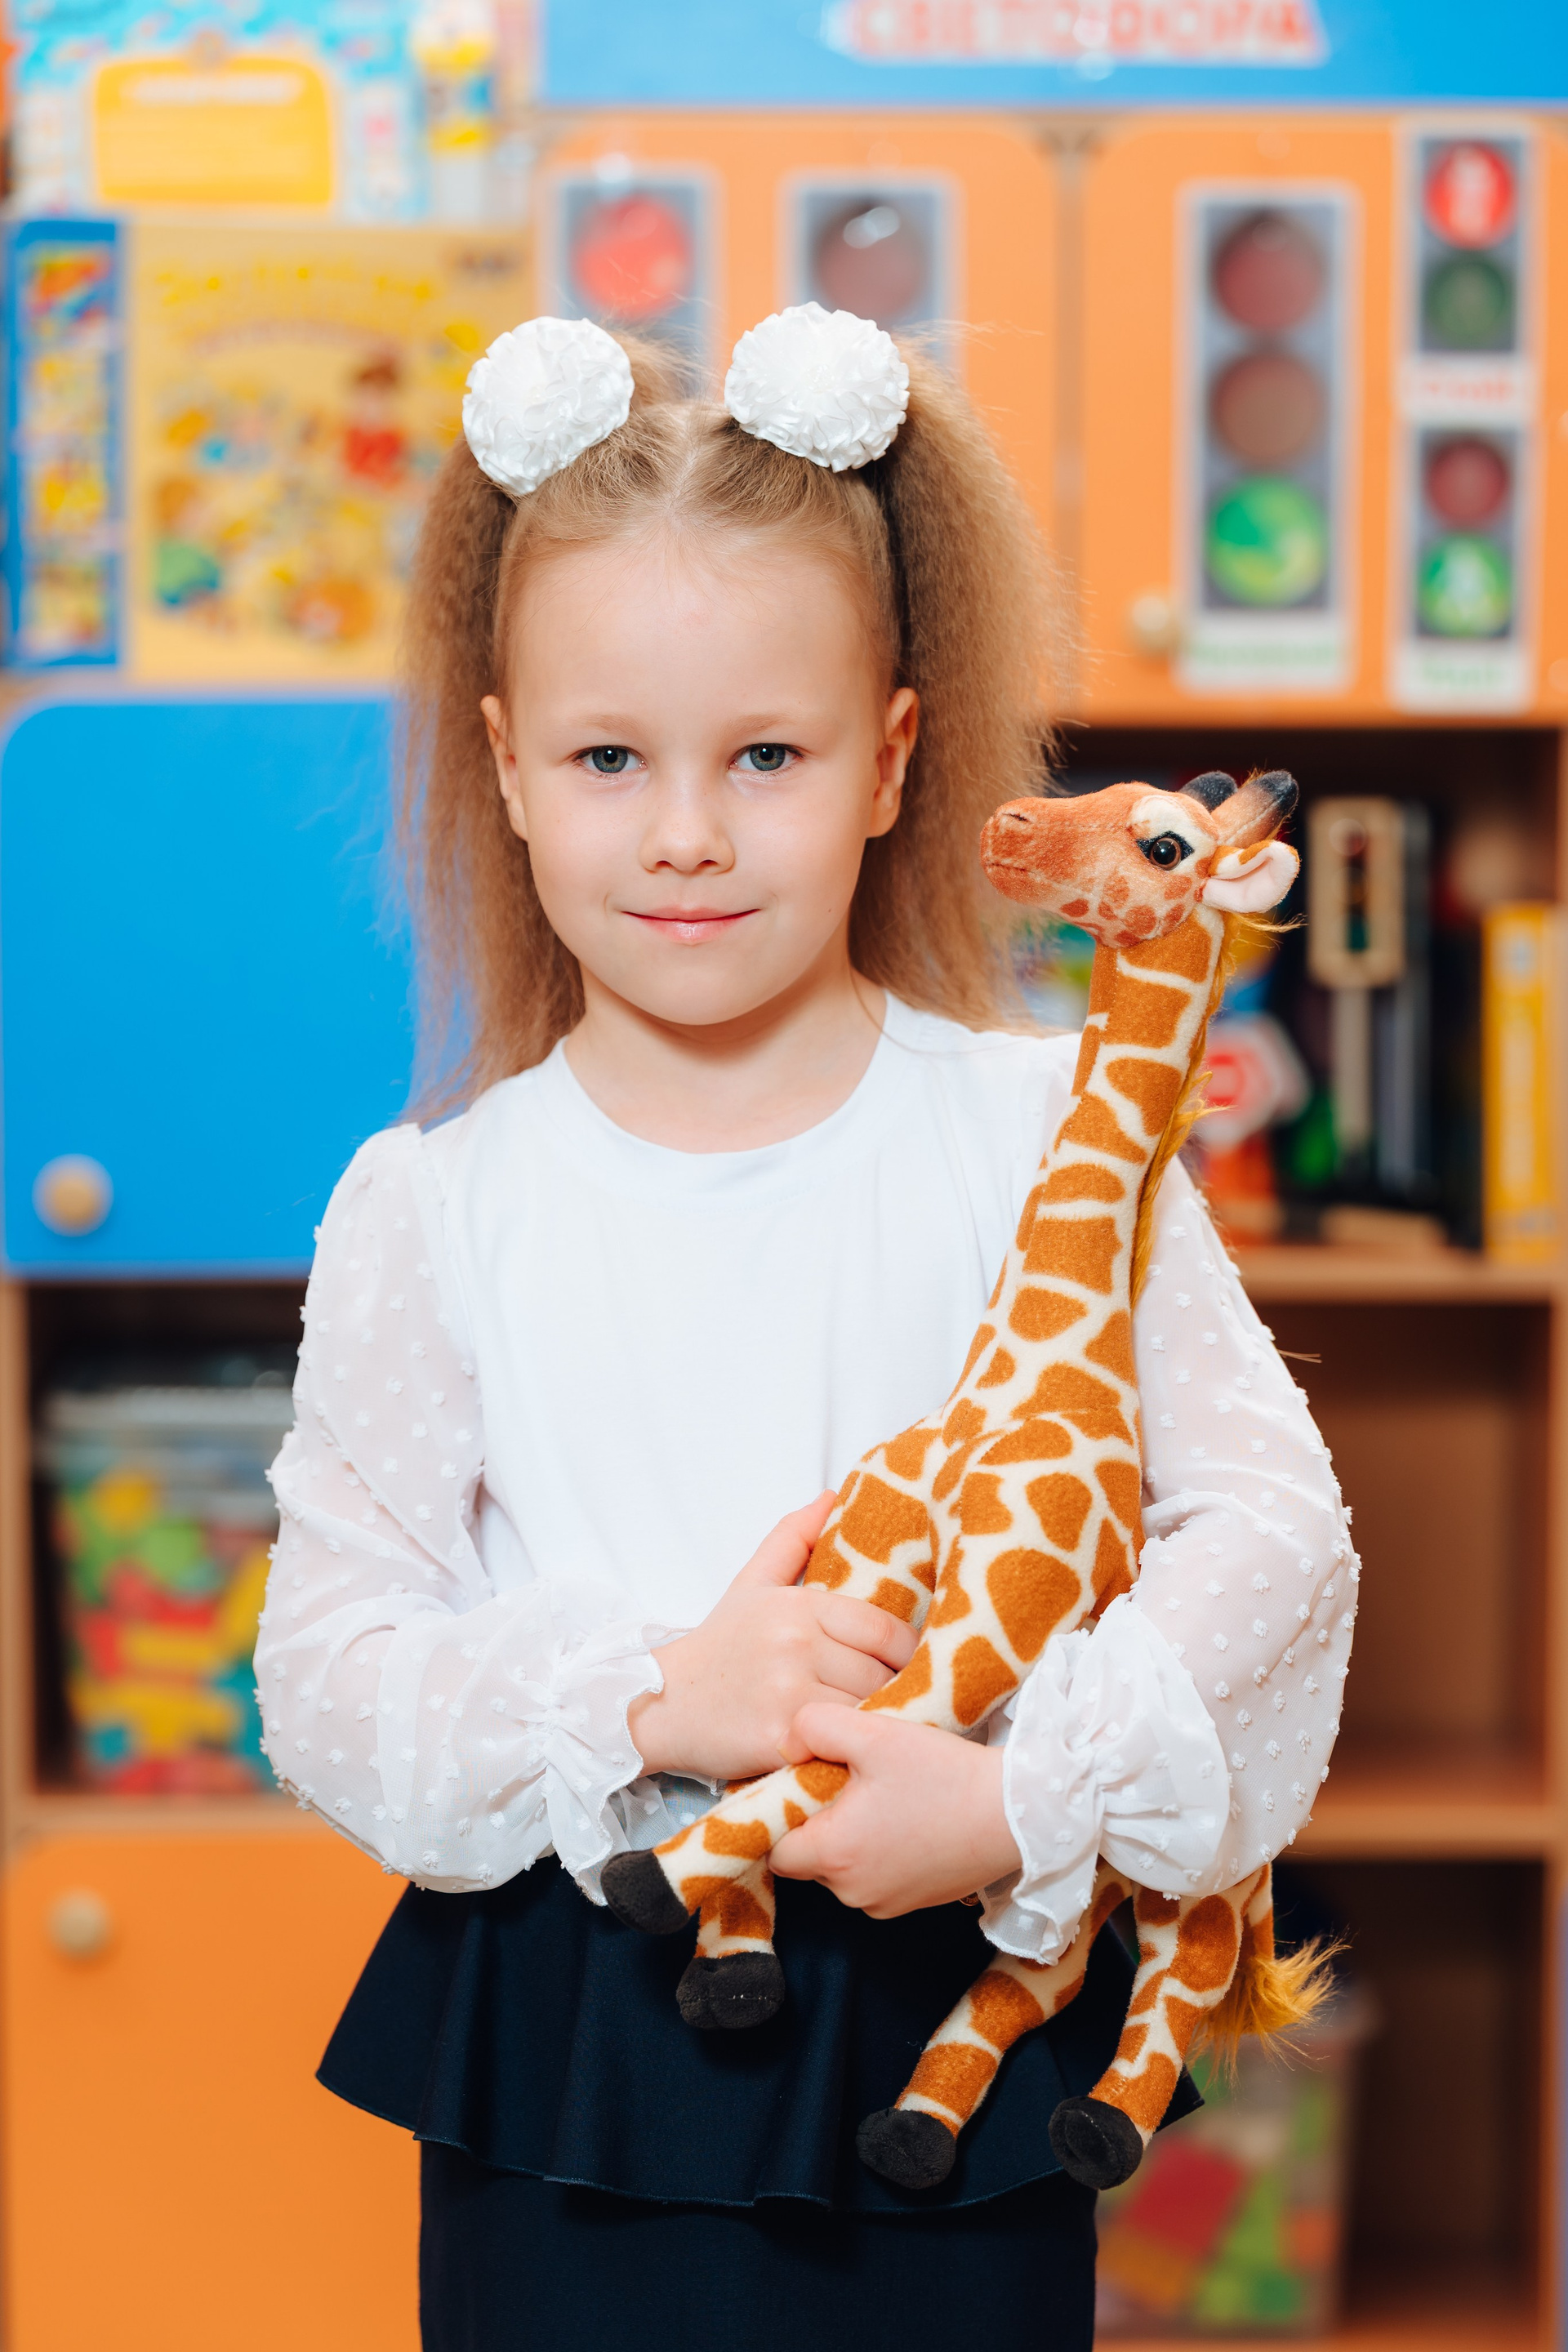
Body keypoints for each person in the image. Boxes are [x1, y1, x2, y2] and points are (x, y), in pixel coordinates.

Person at [255, 305, 1353, 2352]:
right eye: (609, 758)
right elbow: (330, 1672)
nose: (686, 830)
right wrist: (654, 1699)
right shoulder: (436, 1204)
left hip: (942, 2000)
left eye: (766, 755)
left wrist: (1021, 1802)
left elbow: (1273, 1530)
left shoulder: (1045, 1133)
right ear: (506, 764)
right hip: (575, 2040)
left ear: (893, 760)